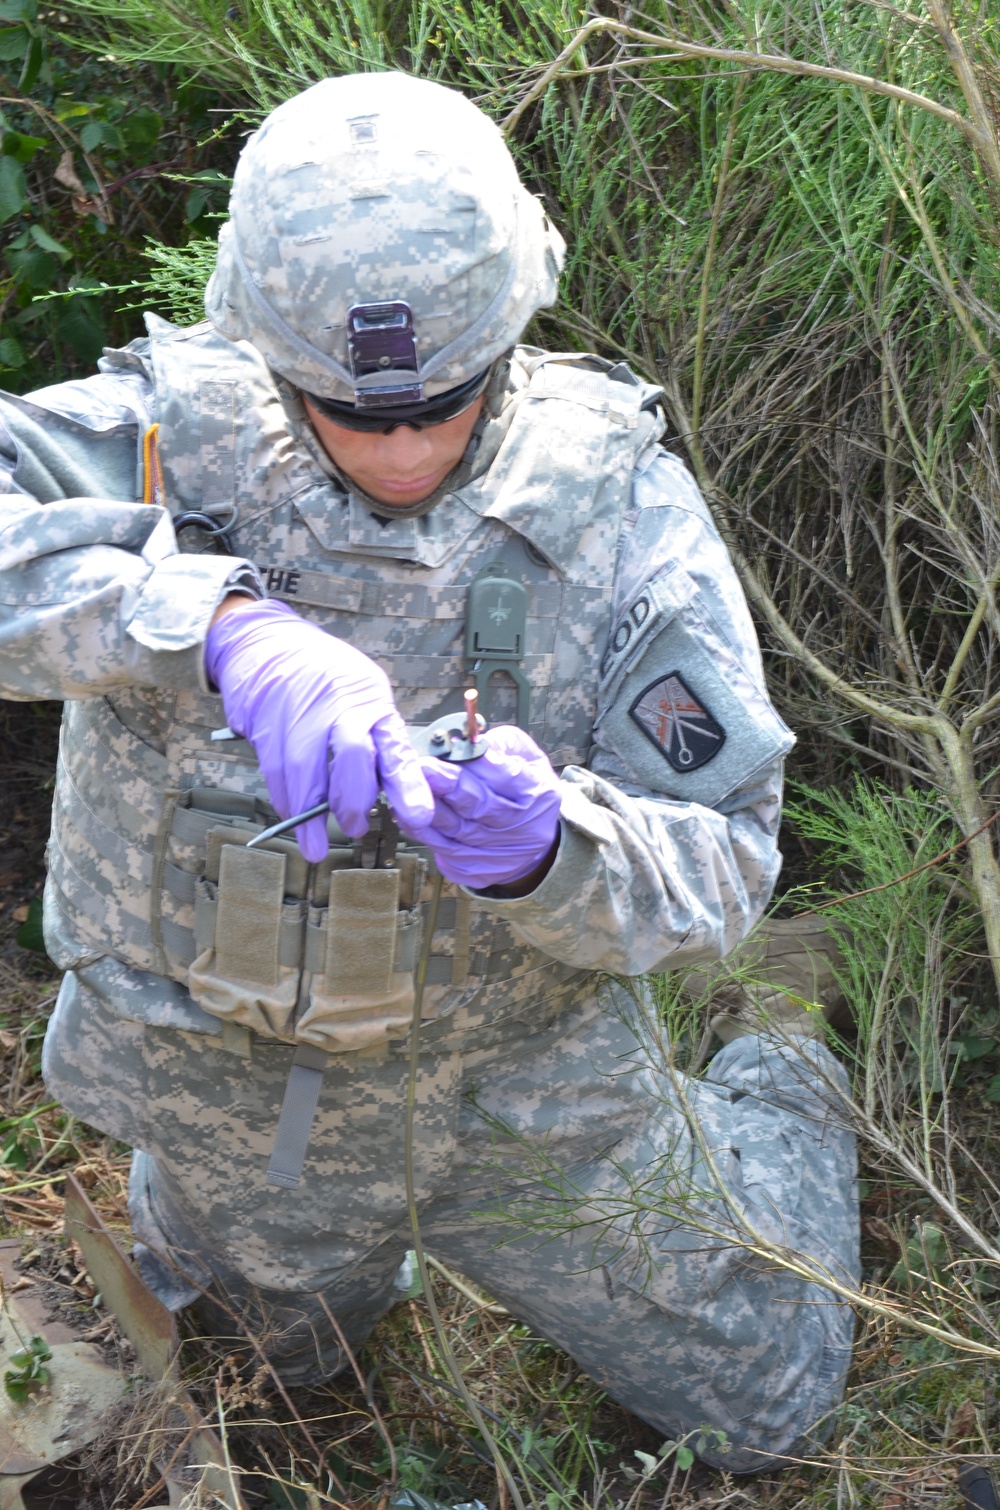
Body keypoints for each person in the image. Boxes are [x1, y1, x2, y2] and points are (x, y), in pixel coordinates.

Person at [0, 71, 858, 1472]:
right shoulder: (175, 440)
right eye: (347, 409)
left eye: (443, 403)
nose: (401, 447)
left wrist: (551, 849)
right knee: (261, 1384)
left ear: (513, 331)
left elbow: (727, 862)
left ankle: (777, 1055)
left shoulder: (618, 509)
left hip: (524, 1106)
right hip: (240, 1105)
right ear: (270, 357)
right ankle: (247, 1244)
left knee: (774, 1405)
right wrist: (213, 626)